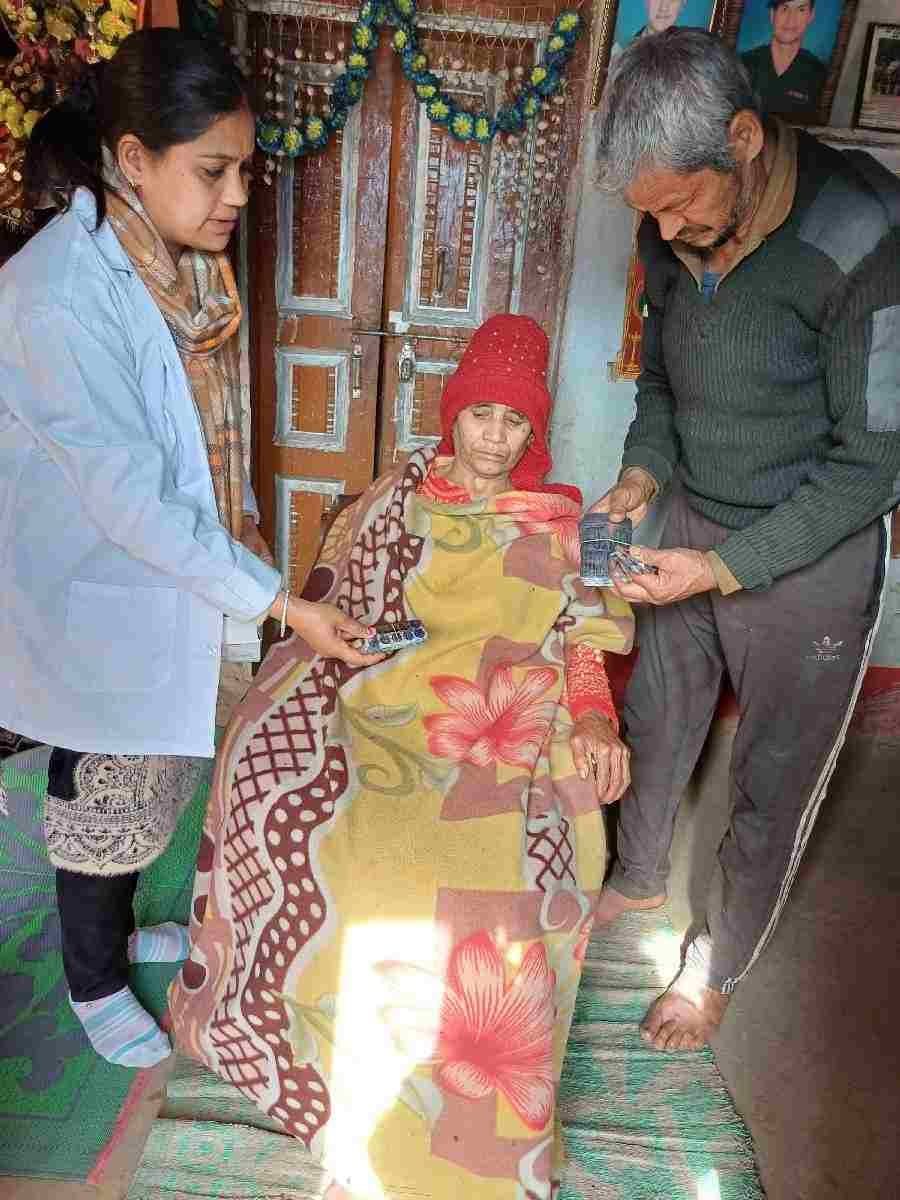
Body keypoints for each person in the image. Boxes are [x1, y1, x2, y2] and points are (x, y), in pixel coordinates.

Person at [169, 315, 635, 1199]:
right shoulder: (394, 498)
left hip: (505, 705)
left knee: (489, 867)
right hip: (391, 688)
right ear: (454, 413)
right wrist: (371, 652)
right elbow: (347, 607)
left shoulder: (568, 522)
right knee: (266, 772)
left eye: (516, 422)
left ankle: (470, 1117)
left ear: (534, 432)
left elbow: (590, 631)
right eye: (481, 414)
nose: (494, 437)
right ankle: (304, 1056)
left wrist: (593, 718)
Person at [0, 29, 380, 1070]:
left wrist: (246, 557)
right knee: (102, 788)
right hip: (96, 584)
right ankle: (91, 980)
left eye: (244, 170)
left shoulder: (178, 271)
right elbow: (129, 497)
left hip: (167, 572)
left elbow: (196, 448)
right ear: (133, 159)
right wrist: (283, 603)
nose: (237, 196)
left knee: (156, 774)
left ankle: (120, 938)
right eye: (213, 170)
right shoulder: (59, 296)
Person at [591, 28, 900, 1051]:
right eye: (648, 212)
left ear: (743, 138)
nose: (665, 231)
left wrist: (723, 568)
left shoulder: (863, 232)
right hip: (692, 514)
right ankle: (637, 879)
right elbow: (662, 383)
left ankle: (714, 962)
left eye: (682, 203)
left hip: (813, 547)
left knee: (773, 775)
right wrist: (642, 476)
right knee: (657, 713)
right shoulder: (666, 227)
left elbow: (875, 465)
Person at [740, 0, 828, 116]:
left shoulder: (818, 73)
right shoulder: (744, 64)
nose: (791, 19)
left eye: (801, 10)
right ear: (772, 14)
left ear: (811, 16)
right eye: (784, 9)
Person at [611, 0, 686, 58]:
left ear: (682, 4)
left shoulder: (689, 53)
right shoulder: (620, 52)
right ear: (646, 1)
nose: (663, 8)